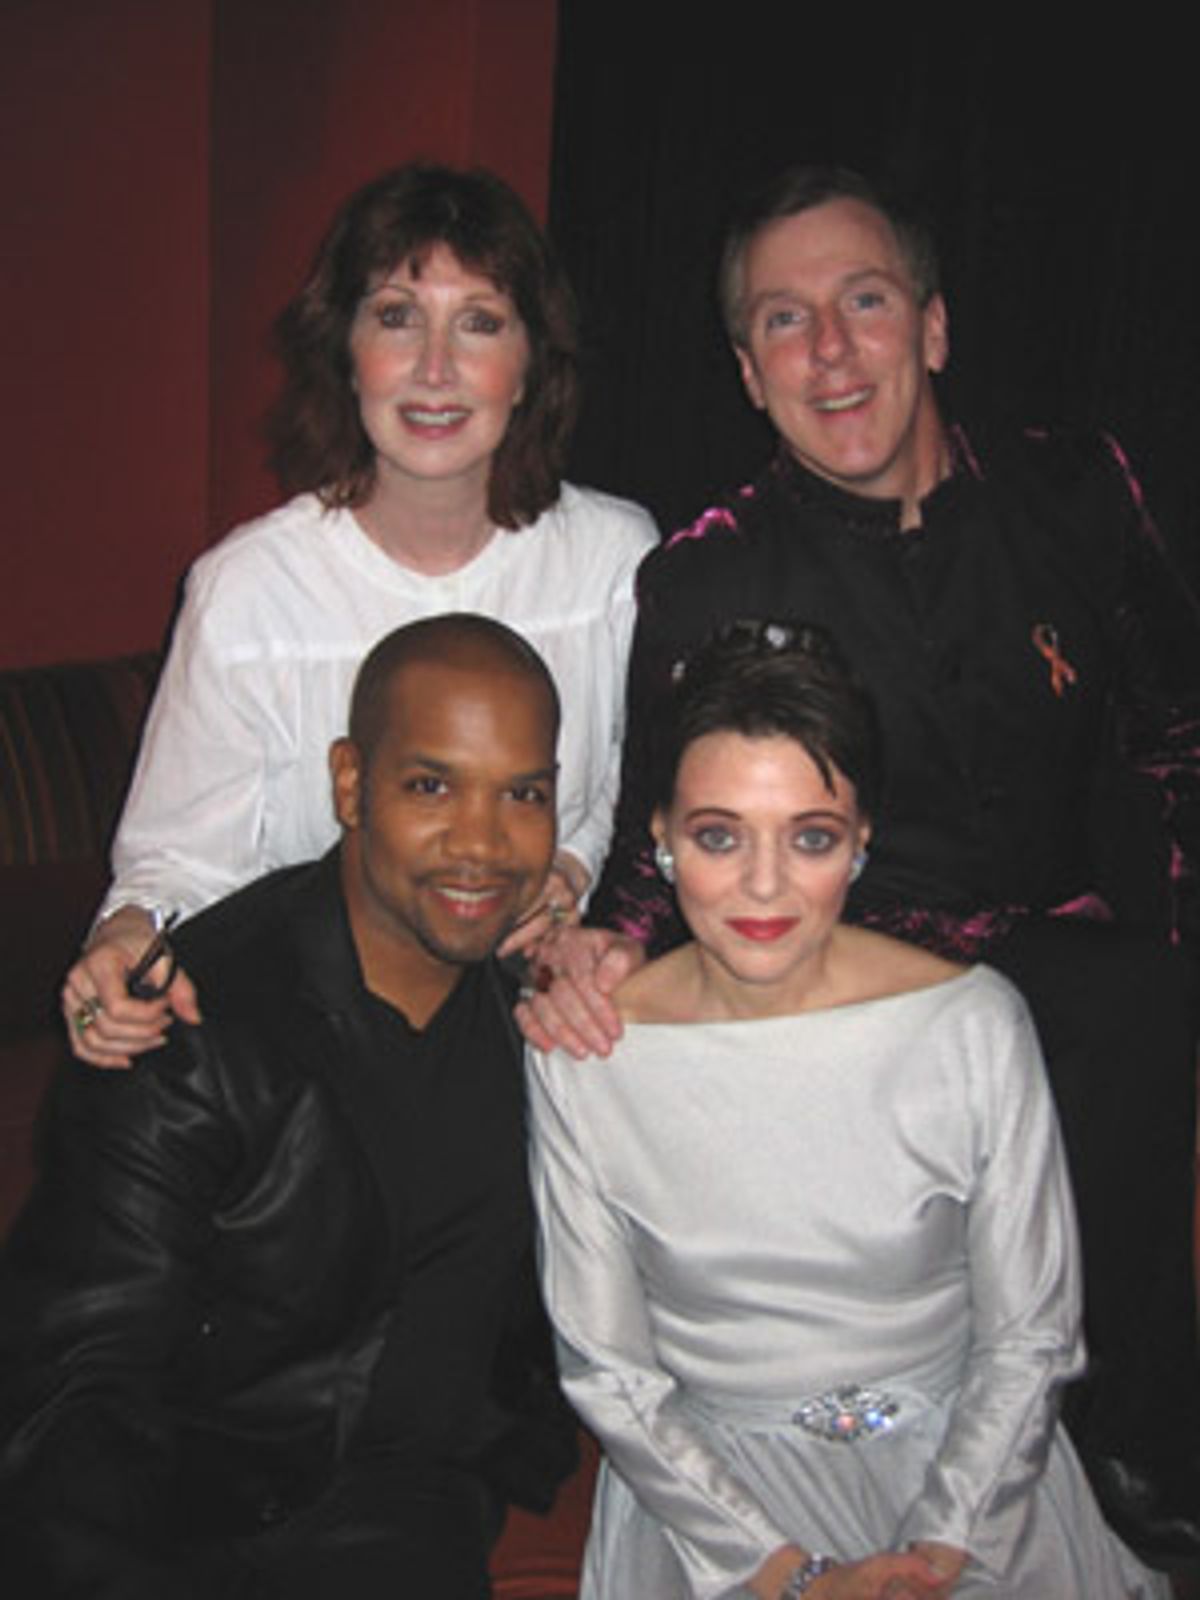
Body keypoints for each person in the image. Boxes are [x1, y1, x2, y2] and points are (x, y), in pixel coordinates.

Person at [520, 165, 1200, 1567]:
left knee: (1131, 1015)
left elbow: (1174, 719)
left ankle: (1128, 1441)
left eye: (864, 301)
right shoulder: (709, 577)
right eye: (784, 320)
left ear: (934, 326)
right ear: (746, 371)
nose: (830, 351)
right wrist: (599, 942)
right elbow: (673, 823)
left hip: (1091, 968)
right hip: (861, 994)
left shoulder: (1079, 489)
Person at [526, 620, 1169, 1599]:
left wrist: (942, 1547)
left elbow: (1032, 1336)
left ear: (862, 840)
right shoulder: (589, 1054)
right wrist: (783, 1573)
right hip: (713, 1513)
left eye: (811, 837)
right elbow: (608, 1369)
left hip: (975, 1477)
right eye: (718, 835)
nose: (765, 884)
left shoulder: (973, 1026)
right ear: (657, 839)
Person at [0, 615, 578, 1599]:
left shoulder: (546, 1016)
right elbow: (69, 1392)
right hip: (197, 1530)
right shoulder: (187, 1026)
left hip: (418, 1521)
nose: (482, 843)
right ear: (351, 783)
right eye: (431, 785)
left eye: (521, 793)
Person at [61, 161, 656, 1068]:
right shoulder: (249, 589)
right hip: (318, 1049)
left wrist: (568, 871)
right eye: (395, 317)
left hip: (542, 1031)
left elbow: (634, 781)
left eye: (480, 324)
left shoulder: (615, 560)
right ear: (345, 349)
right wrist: (121, 946)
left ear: (531, 363)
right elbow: (177, 866)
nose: (434, 368)